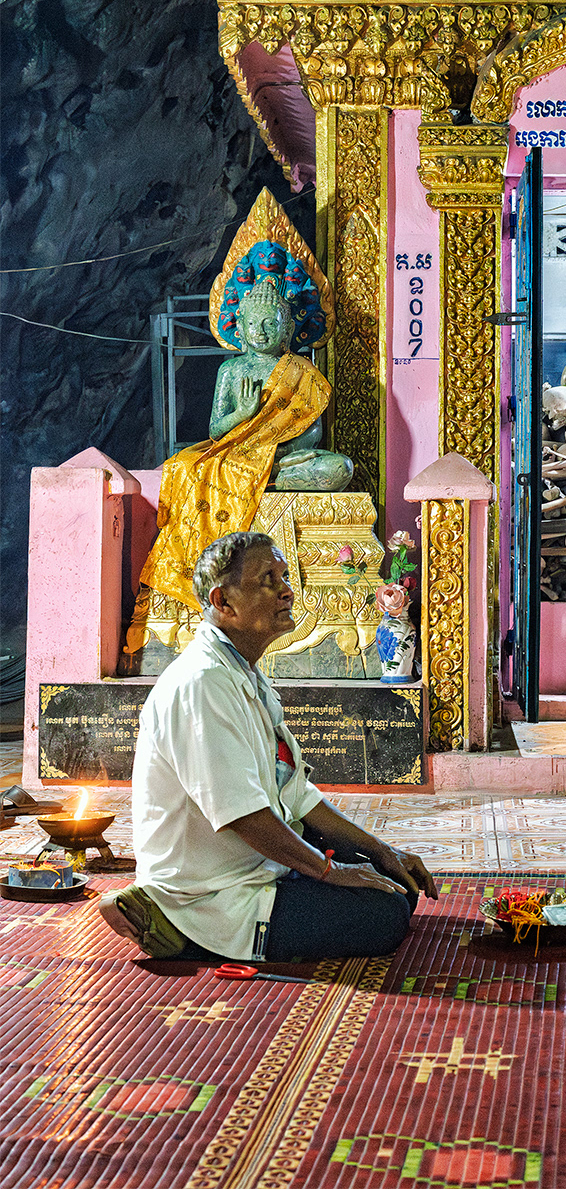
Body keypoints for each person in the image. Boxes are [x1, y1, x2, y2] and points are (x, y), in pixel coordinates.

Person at [103, 530, 437, 961]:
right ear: (223, 602)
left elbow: (295, 794)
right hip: (213, 891)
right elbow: (243, 815)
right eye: (268, 580)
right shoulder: (201, 684)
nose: (287, 591)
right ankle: (174, 924)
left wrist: (382, 850)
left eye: (284, 577)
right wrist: (330, 871)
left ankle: (326, 877)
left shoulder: (243, 672)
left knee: (394, 881)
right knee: (384, 914)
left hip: (257, 861)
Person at [125, 276, 352, 654]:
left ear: (287, 329)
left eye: (270, 323)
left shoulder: (304, 374)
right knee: (188, 467)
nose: (260, 331)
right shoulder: (231, 371)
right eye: (252, 324)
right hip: (238, 456)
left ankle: (273, 475)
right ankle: (267, 479)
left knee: (339, 468)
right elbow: (217, 430)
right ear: (240, 329)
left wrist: (283, 452)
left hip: (282, 459)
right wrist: (243, 413)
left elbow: (311, 432)